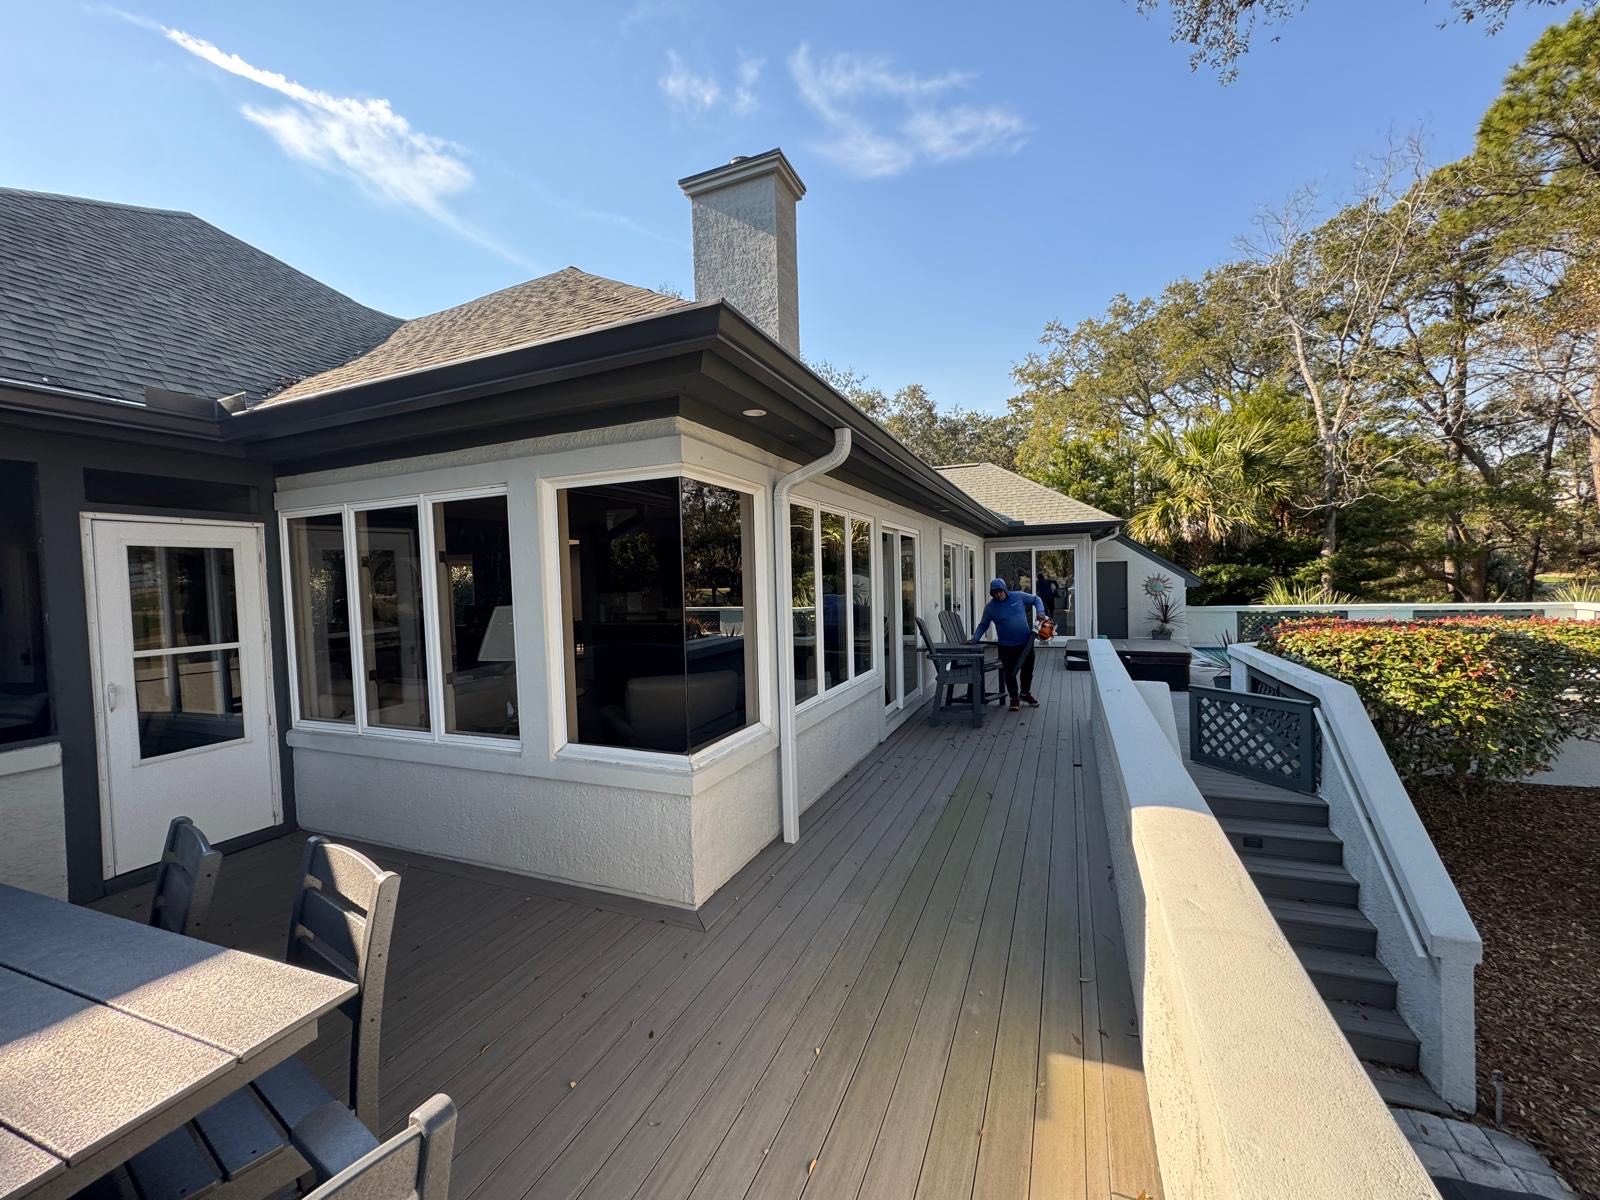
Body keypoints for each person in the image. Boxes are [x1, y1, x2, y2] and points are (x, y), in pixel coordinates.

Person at [970, 577, 1046, 712]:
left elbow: (1036, 599)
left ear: (1005, 590)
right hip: (1006, 646)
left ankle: (1025, 693)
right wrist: (975, 638)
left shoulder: (1018, 596)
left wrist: (1040, 612)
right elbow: (983, 625)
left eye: (1000, 592)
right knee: (1009, 673)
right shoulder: (990, 608)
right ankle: (1014, 698)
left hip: (1025, 642)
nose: (998, 595)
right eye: (995, 593)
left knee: (1027, 669)